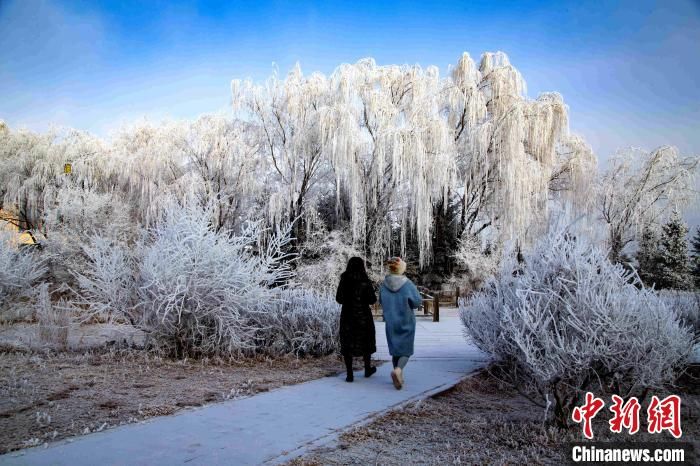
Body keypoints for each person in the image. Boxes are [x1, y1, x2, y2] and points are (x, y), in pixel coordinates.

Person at [379, 257, 422, 390]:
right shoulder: (408, 284)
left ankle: (398, 377)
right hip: (406, 320)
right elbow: (417, 302)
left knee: (395, 350)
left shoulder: (384, 285)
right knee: (406, 350)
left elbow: (380, 301)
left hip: (390, 321)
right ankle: (398, 370)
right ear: (402, 269)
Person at [335, 257, 377, 382]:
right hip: (363, 316)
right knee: (366, 341)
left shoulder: (344, 280)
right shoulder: (365, 281)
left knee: (348, 342)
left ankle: (350, 374)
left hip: (348, 316)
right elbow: (372, 300)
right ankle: (367, 369)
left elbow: (339, 299)